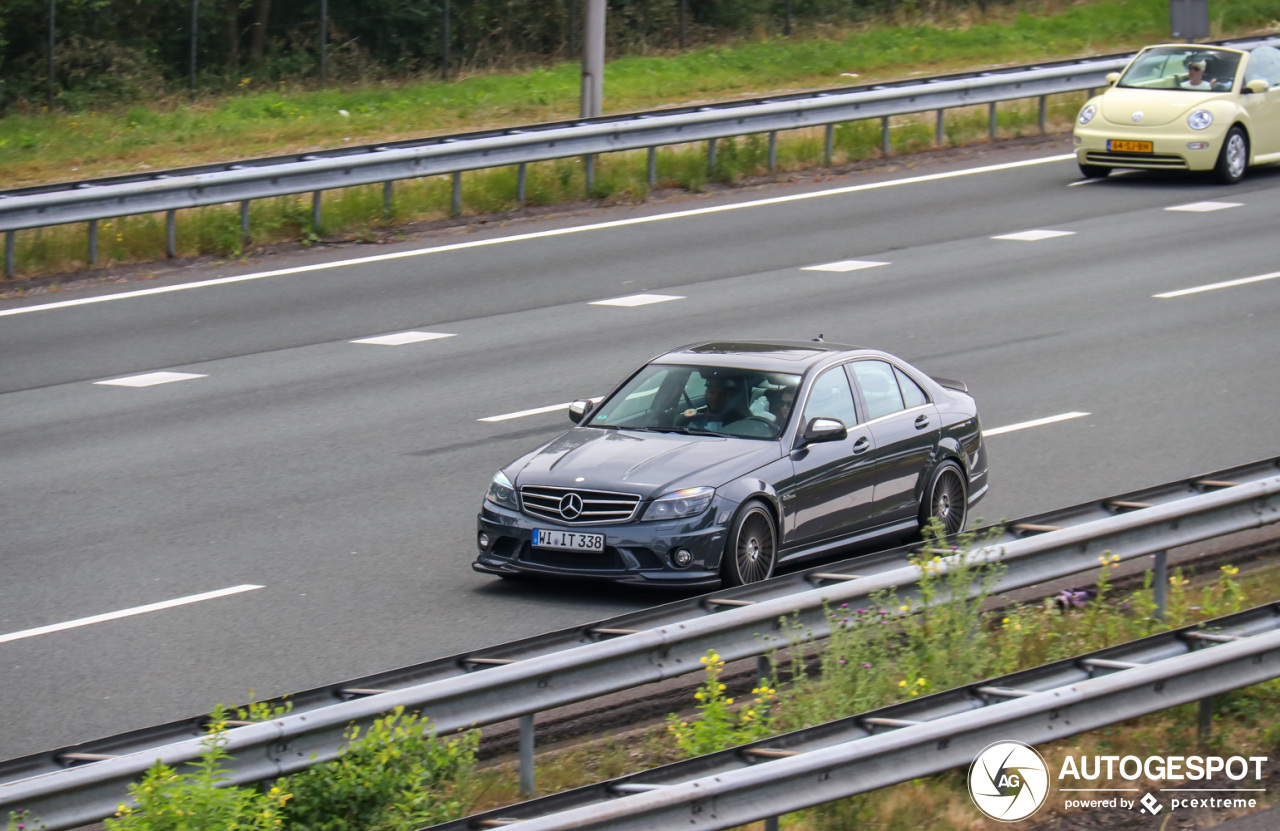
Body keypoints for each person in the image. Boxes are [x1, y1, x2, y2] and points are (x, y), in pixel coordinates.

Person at [685, 374, 752, 431]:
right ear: (706, 392)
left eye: (721, 393)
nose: (715, 397)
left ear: (728, 396)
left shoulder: (738, 422)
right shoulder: (694, 417)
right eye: (711, 392)